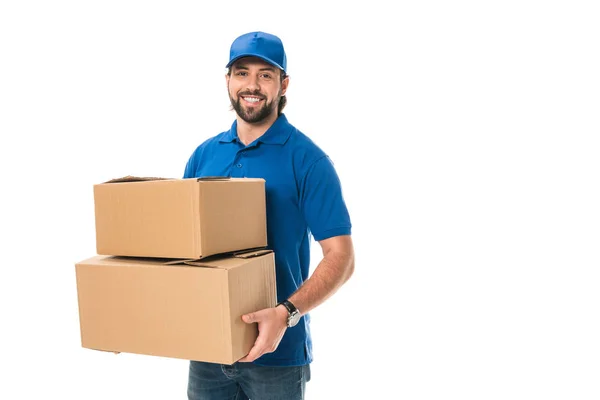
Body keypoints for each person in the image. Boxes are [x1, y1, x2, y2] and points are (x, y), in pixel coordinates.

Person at [183, 31, 355, 400]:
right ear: (228, 80)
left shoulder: (308, 160)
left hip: (278, 356)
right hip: (208, 352)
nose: (252, 85)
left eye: (265, 74)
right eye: (242, 72)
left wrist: (287, 313)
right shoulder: (203, 156)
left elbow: (341, 257)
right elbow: (183, 250)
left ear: (283, 84)